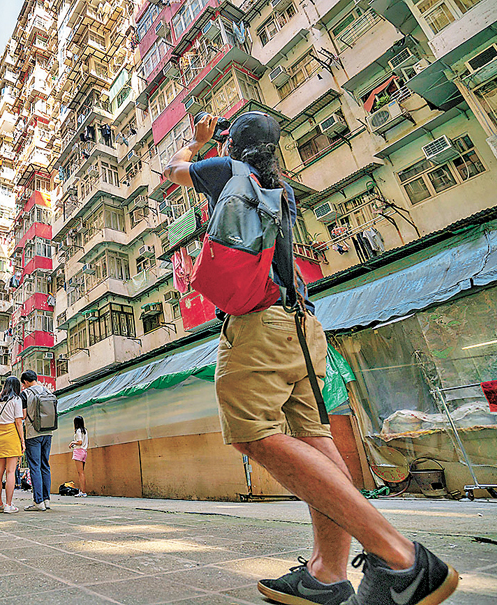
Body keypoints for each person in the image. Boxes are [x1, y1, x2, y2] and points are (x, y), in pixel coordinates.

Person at [163, 111, 458, 605]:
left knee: (253, 434)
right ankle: (326, 573)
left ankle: (399, 557)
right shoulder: (282, 189)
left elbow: (171, 169)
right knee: (314, 439)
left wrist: (198, 143)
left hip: (260, 327)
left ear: (233, 145)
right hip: (302, 325)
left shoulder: (223, 172)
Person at [20, 370, 54, 511]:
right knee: (45, 465)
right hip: (48, 432)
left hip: (33, 434)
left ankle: (38, 502)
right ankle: (46, 500)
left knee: (34, 466)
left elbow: (22, 416)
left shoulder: (25, 394)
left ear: (26, 382)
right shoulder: (47, 390)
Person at [0, 376, 24, 514]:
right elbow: (18, 422)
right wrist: (22, 441)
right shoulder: (16, 399)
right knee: (11, 471)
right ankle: (8, 505)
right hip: (11, 434)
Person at [68, 416, 88, 498]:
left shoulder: (78, 431)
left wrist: (72, 442)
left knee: (80, 473)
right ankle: (82, 490)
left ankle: (83, 491)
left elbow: (80, 442)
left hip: (78, 451)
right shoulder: (85, 431)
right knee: (82, 472)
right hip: (84, 451)